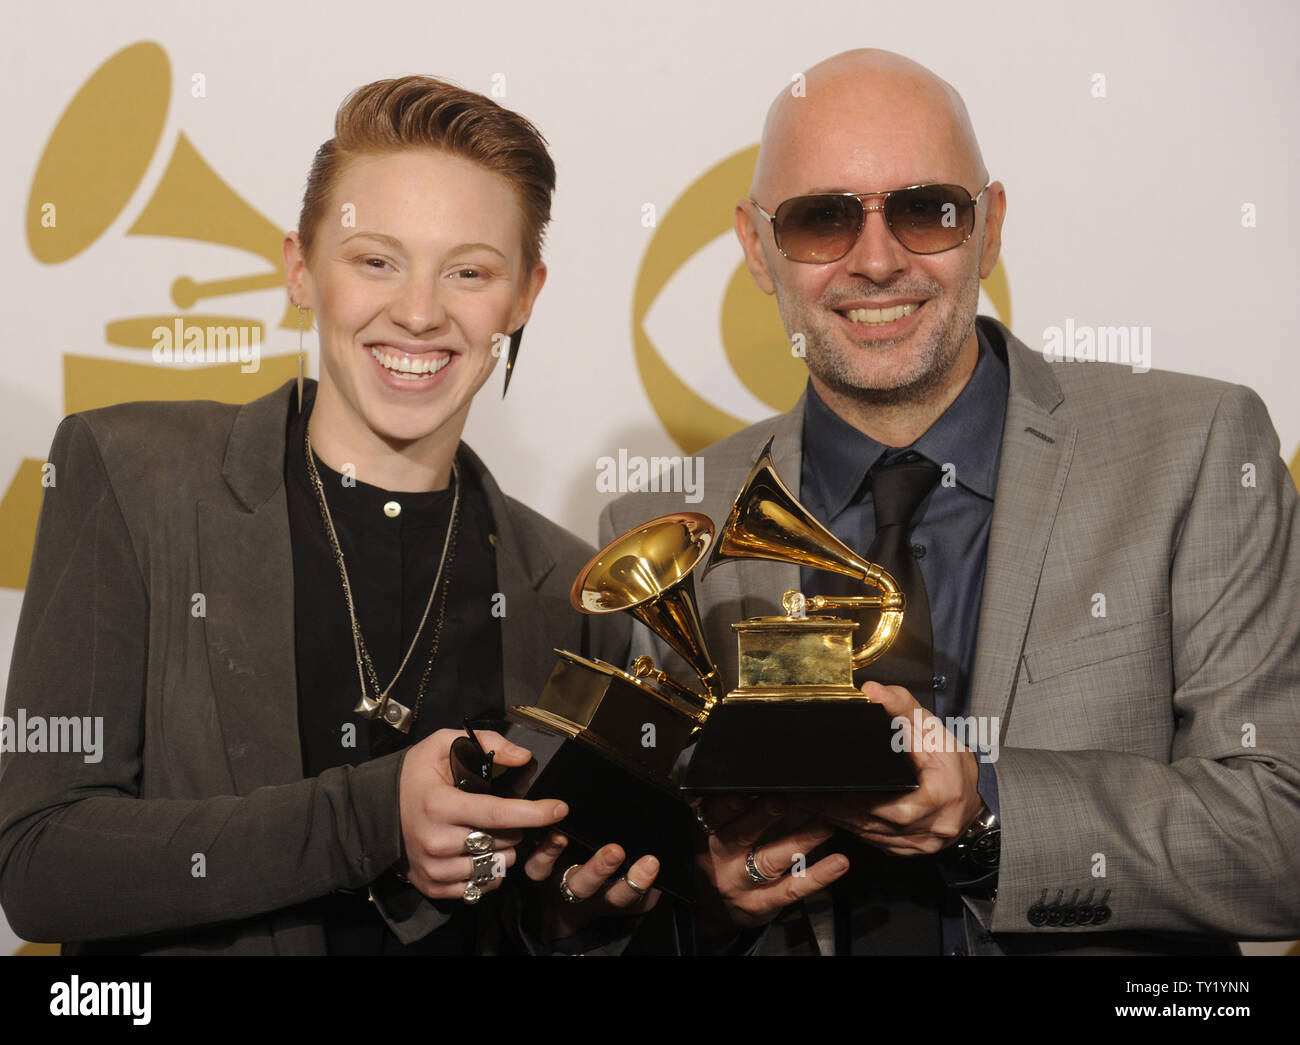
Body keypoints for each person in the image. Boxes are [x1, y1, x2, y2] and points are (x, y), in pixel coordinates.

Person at [601, 49, 1300, 955]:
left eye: (927, 210)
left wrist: (986, 812)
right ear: (756, 248)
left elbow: (1281, 830)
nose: (879, 260)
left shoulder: (1194, 448)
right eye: (821, 220)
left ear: (991, 225)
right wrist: (712, 898)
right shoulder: (663, 531)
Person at [0, 75, 659, 955]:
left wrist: (574, 916)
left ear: (525, 296)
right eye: (376, 259)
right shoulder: (132, 477)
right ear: (301, 267)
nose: (420, 312)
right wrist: (369, 817)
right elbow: (40, 868)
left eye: (469, 270)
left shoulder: (577, 592)